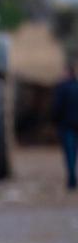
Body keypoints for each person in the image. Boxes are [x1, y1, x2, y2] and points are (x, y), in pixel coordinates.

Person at [54, 62, 78, 190]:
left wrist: (55, 121)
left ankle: (72, 179)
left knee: (70, 154)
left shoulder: (62, 88)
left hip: (67, 126)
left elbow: (57, 108)